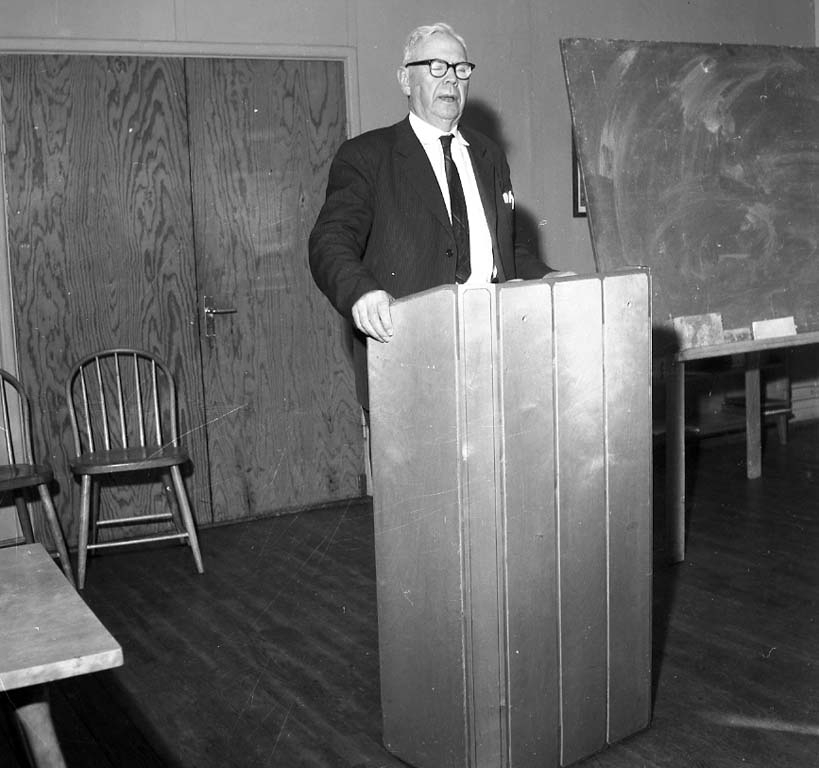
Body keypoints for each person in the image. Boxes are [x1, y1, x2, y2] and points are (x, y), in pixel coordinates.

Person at [309, 21, 554, 402]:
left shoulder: (489, 155)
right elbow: (330, 240)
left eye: (461, 69)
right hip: (408, 362)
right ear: (405, 80)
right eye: (436, 67)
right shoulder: (367, 156)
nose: (451, 79)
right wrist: (361, 293)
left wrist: (553, 280)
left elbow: (507, 249)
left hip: (494, 355)